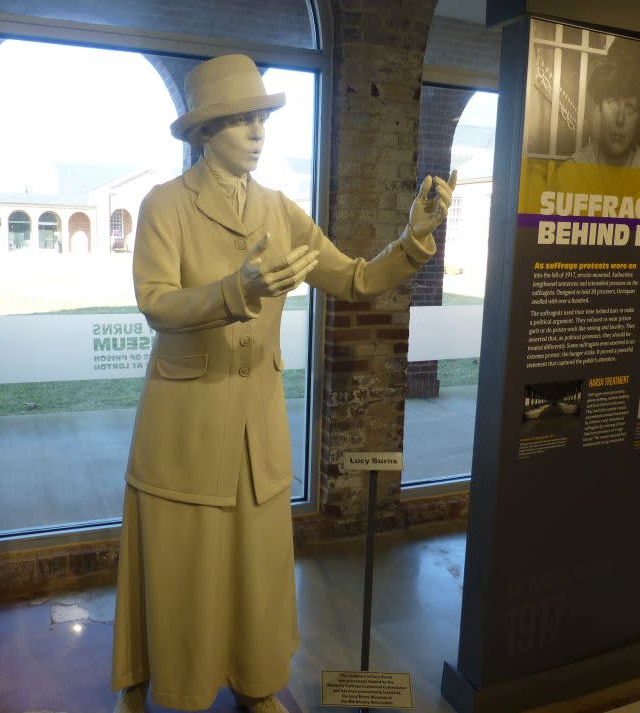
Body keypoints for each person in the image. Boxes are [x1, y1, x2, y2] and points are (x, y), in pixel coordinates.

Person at [111, 54, 455, 713]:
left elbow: (354, 278)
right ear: (204, 132)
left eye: (261, 117)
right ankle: (157, 680)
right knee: (182, 562)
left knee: (255, 565)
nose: (257, 130)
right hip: (185, 419)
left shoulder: (279, 211)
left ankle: (256, 678)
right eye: (240, 119)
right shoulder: (165, 206)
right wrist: (234, 289)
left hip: (256, 424)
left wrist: (413, 241)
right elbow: (155, 301)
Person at [552, 37, 640, 199]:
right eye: (612, 102)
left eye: (630, 107)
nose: (620, 119)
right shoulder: (569, 174)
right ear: (599, 106)